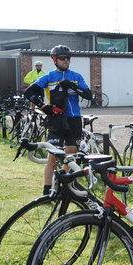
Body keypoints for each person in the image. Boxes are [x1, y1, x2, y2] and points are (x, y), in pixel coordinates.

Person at [24, 45, 91, 195]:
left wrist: (71, 86)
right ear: (54, 60)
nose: (66, 60)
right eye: (62, 58)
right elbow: (29, 92)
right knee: (52, 156)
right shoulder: (48, 77)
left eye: (68, 58)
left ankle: (62, 181)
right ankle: (46, 190)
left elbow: (89, 95)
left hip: (73, 118)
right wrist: (44, 107)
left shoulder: (76, 76)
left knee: (71, 153)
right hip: (56, 119)